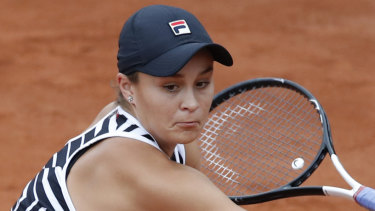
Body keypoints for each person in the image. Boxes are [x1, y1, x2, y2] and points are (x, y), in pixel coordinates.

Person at [12, 5, 245, 211]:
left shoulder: (131, 117)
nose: (192, 104)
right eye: (171, 87)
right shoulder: (136, 167)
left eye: (201, 83)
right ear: (127, 87)